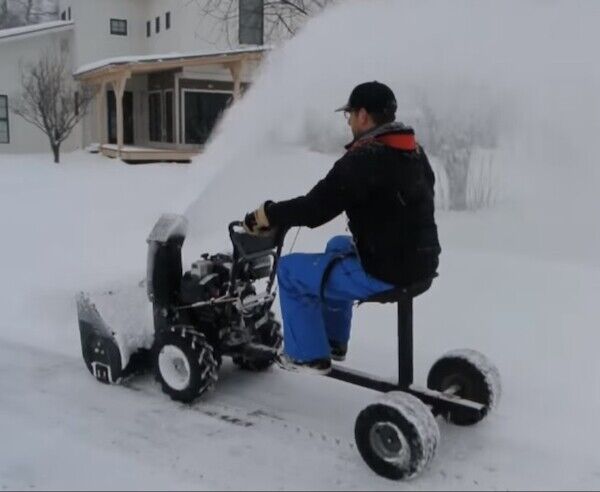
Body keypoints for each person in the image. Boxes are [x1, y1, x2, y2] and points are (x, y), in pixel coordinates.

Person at [243, 81, 441, 374]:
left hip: (389, 271)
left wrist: (268, 214)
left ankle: (306, 356)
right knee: (337, 244)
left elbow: (315, 209)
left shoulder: (365, 158)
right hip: (421, 260)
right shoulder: (411, 150)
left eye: (349, 115)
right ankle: (334, 341)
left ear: (363, 115)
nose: (348, 122)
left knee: (288, 271)